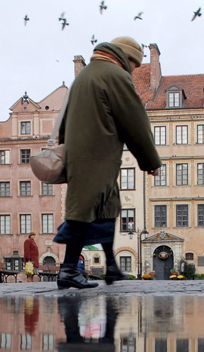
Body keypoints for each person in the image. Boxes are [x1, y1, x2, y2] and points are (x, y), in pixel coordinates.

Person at [53, 36, 161, 289]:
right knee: (82, 213)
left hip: (83, 155)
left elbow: (65, 119)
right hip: (97, 155)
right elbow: (134, 121)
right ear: (126, 57)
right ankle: (68, 269)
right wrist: (149, 160)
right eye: (134, 64)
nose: (133, 70)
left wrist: (67, 153)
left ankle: (111, 266)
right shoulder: (115, 75)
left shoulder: (85, 75)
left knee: (107, 208)